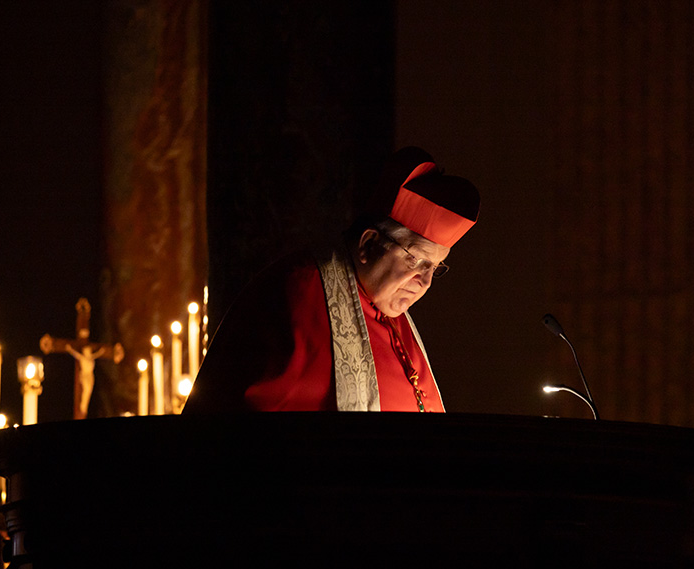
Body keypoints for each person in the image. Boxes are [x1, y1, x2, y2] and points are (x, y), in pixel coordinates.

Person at [183, 147, 479, 413]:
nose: (425, 282)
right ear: (369, 243)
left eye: (435, 268)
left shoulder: (396, 319)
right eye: (417, 261)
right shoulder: (301, 293)